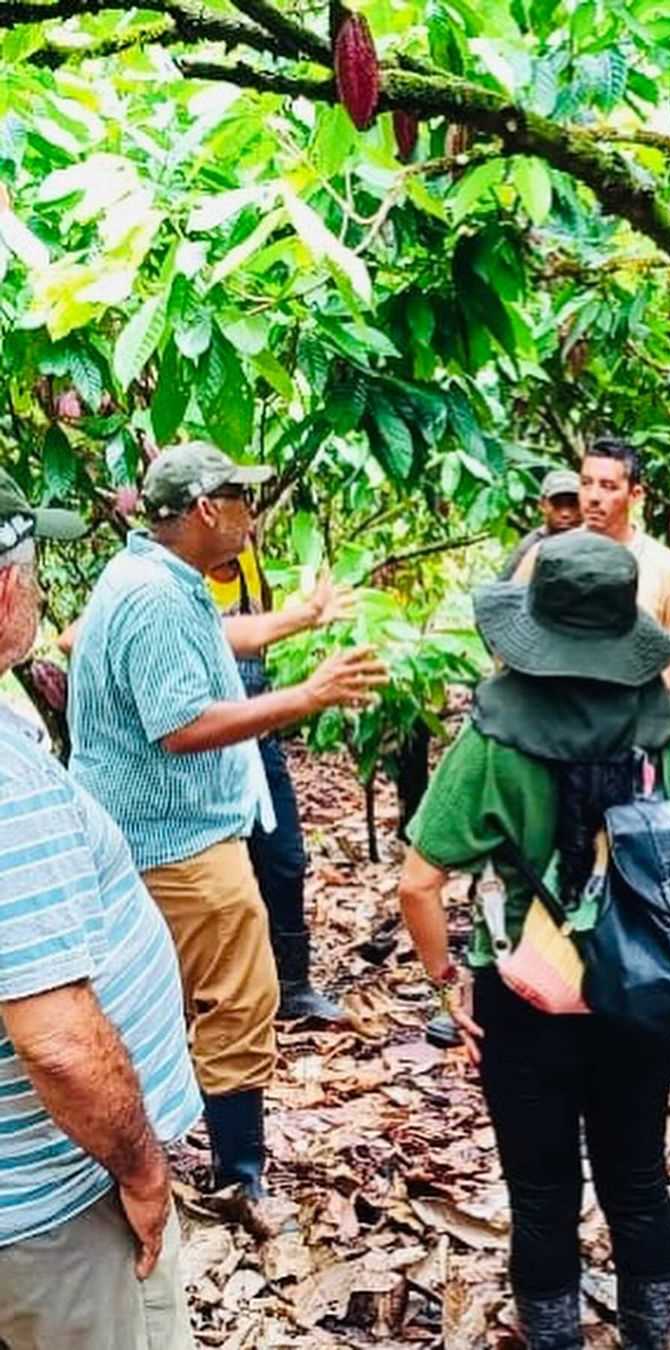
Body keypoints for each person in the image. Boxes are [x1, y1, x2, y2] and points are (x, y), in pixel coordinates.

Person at [399, 532, 670, 1350]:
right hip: (643, 981)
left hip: (524, 989)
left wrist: (445, 983)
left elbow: (417, 880)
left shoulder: (493, 740)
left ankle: (554, 1338)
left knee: (541, 1192)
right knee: (639, 1178)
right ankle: (651, 1335)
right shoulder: (667, 735)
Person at [67, 441, 387, 1235]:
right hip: (176, 843)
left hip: (145, 835)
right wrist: (306, 697)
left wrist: (302, 619)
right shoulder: (156, 598)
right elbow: (182, 726)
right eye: (242, 499)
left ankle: (148, 1153)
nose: (252, 516)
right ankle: (239, 1174)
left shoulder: (155, 579)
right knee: (239, 998)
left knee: (156, 999)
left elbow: (216, 644)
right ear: (207, 507)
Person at [0, 469, 201, 1348]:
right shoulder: (6, 792)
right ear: (6, 585)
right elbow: (58, 1040)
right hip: (53, 1210)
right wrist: (142, 1165)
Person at [206, 544, 355, 1021]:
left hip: (257, 738)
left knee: (285, 857)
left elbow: (256, 630)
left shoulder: (246, 562)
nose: (243, 525)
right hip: (203, 743)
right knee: (218, 873)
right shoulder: (169, 584)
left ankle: (292, 985)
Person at [513, 437, 670, 710]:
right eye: (586, 483)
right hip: (556, 724)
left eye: (608, 487)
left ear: (635, 494)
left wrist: (665, 729)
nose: (593, 497)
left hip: (636, 726)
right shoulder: (545, 558)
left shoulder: (666, 569)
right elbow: (511, 637)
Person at [499, 467, 582, 580]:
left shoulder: (593, 542)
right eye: (557, 504)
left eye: (572, 504)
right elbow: (505, 590)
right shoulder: (529, 548)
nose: (565, 513)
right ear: (542, 505)